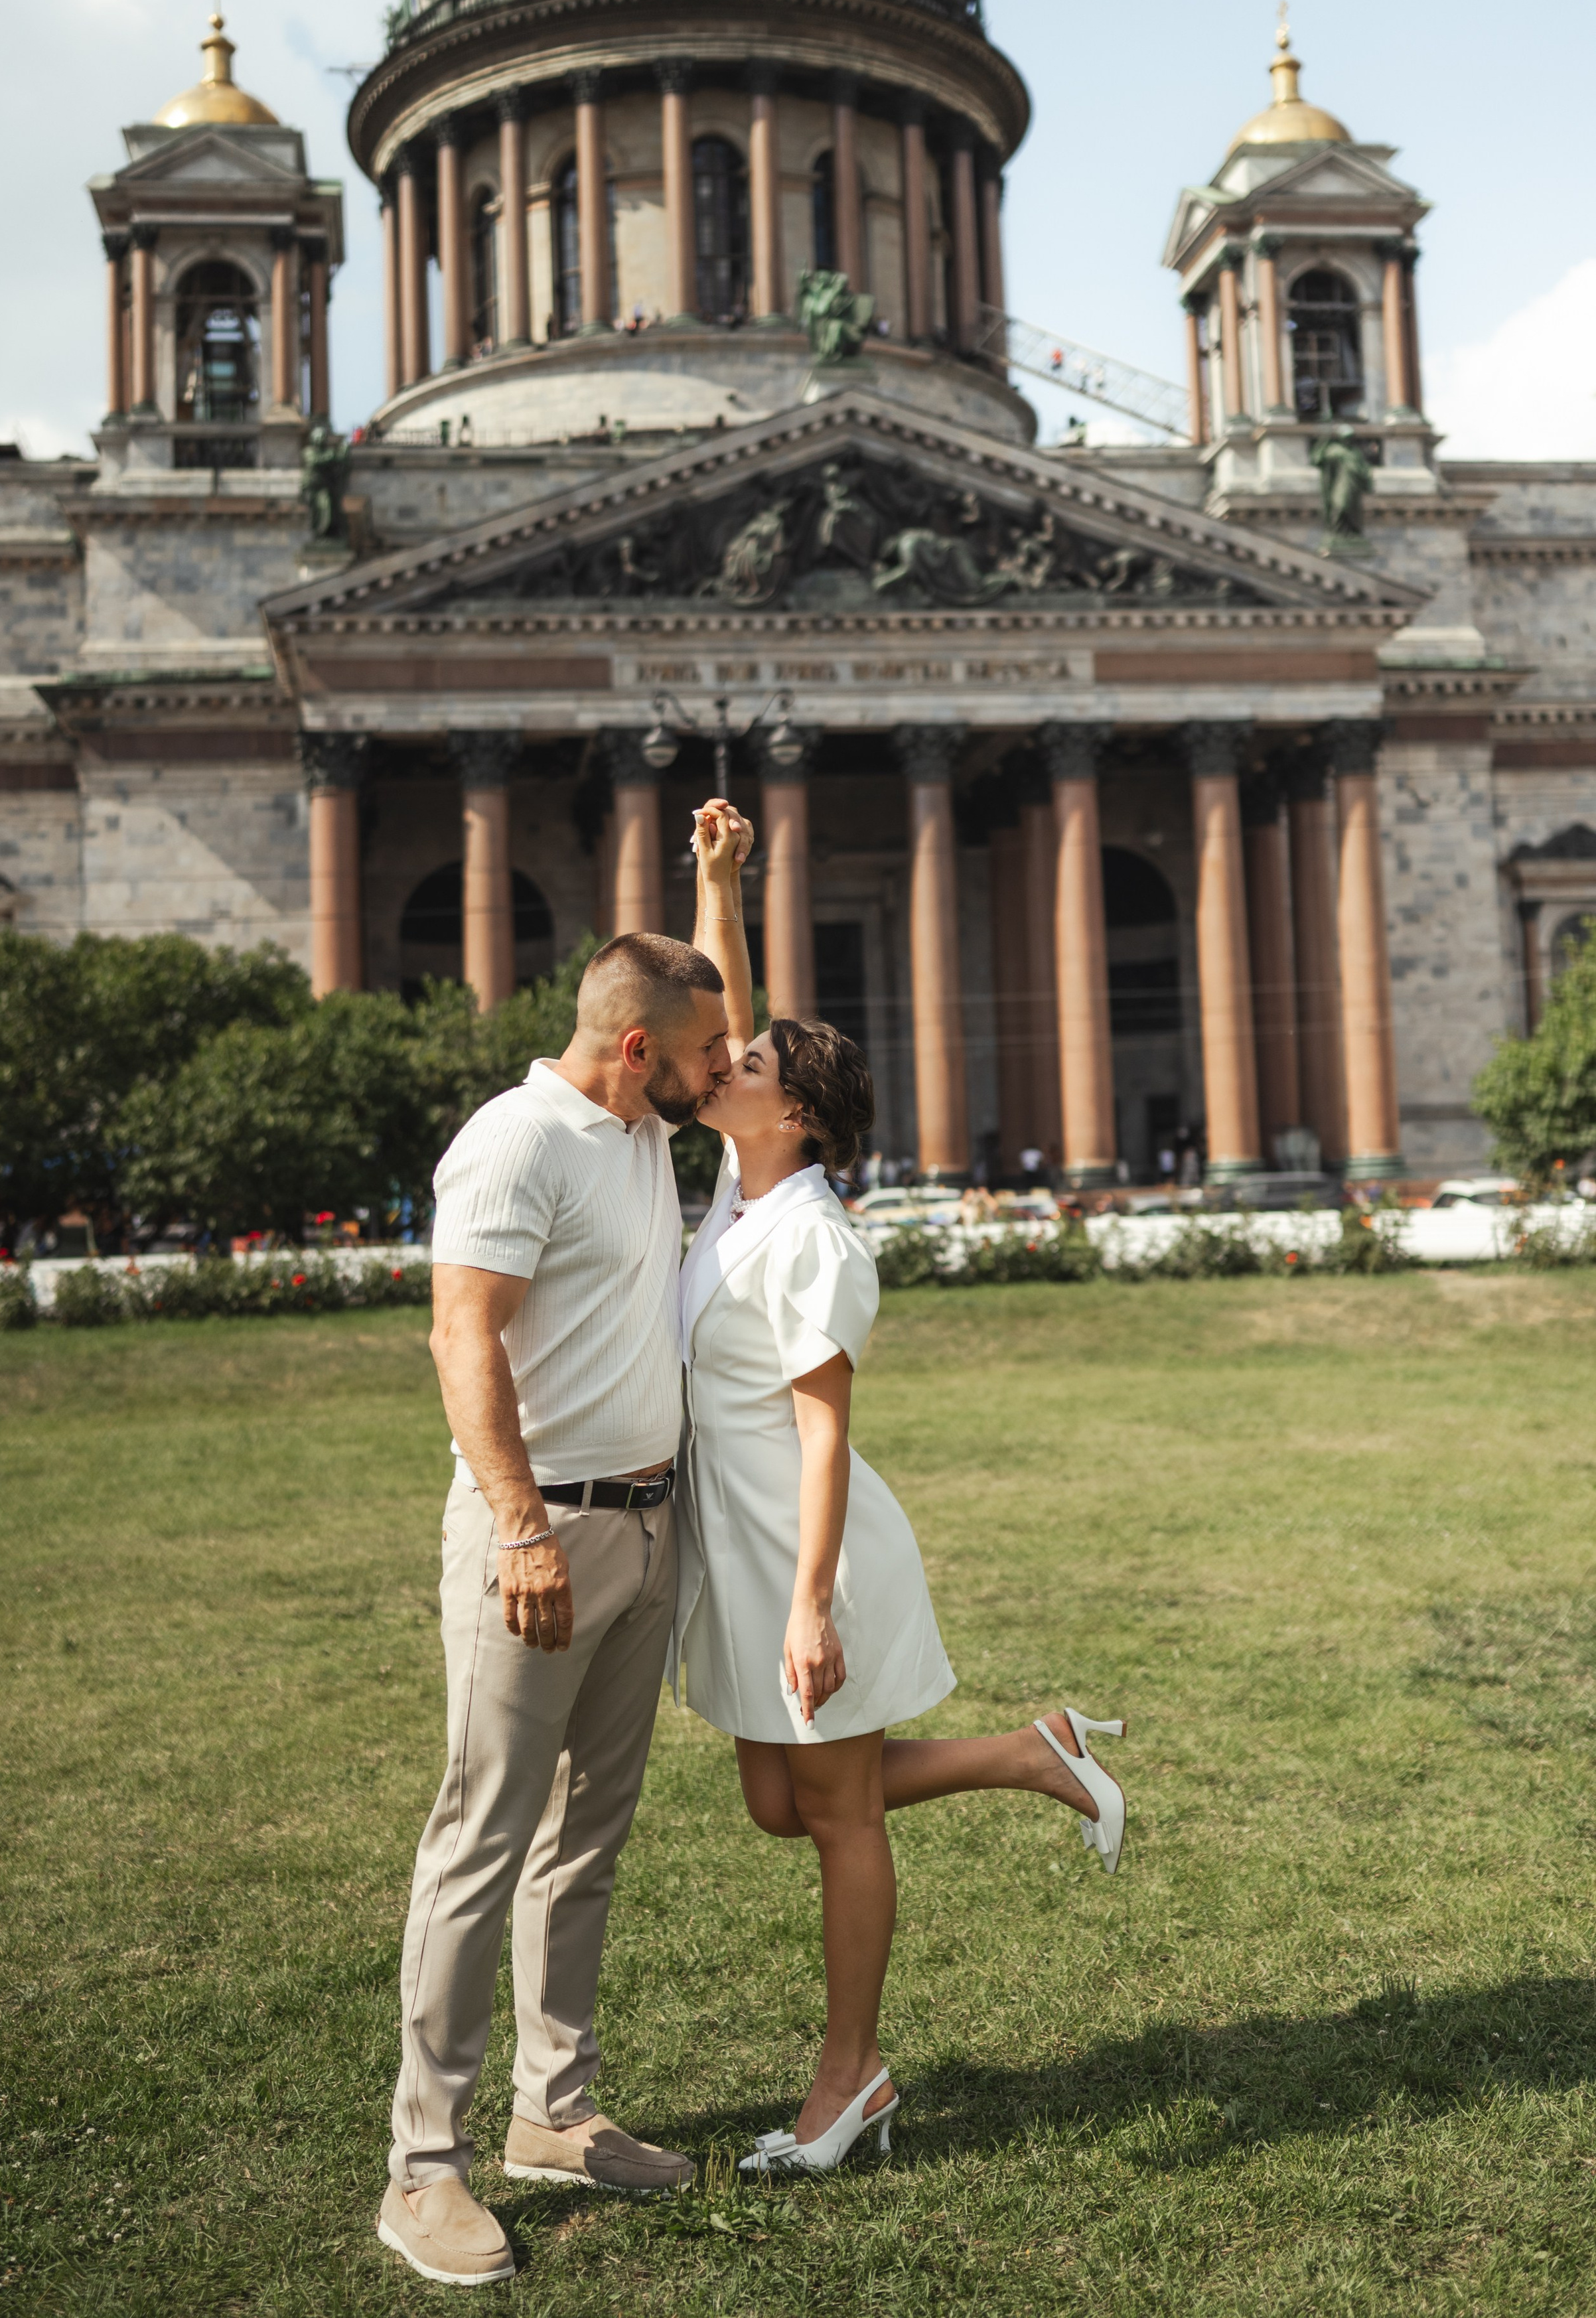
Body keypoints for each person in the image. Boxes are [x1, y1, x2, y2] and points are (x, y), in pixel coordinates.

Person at [668, 824, 1129, 2178]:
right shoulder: (742, 1197)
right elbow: (736, 1013)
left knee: (837, 1818)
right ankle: (1027, 1751)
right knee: (780, 1804)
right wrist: (719, 888)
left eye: (739, 1068)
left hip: (810, 1557)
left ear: (791, 1111)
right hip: (751, 1555)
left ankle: (847, 2079)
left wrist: (811, 1607)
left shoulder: (810, 1238)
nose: (716, 1063)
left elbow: (825, 1437)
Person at [377, 893, 754, 2288]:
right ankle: (424, 2173)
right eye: (703, 1048)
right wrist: (523, 1531)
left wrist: (722, 897)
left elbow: (749, 1033)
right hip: (535, 1545)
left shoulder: (647, 1128)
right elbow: (458, 1338)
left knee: (583, 1843)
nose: (725, 1067)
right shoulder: (515, 1139)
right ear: (638, 1046)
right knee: (478, 1844)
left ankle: (555, 2112)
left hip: (646, 1533)